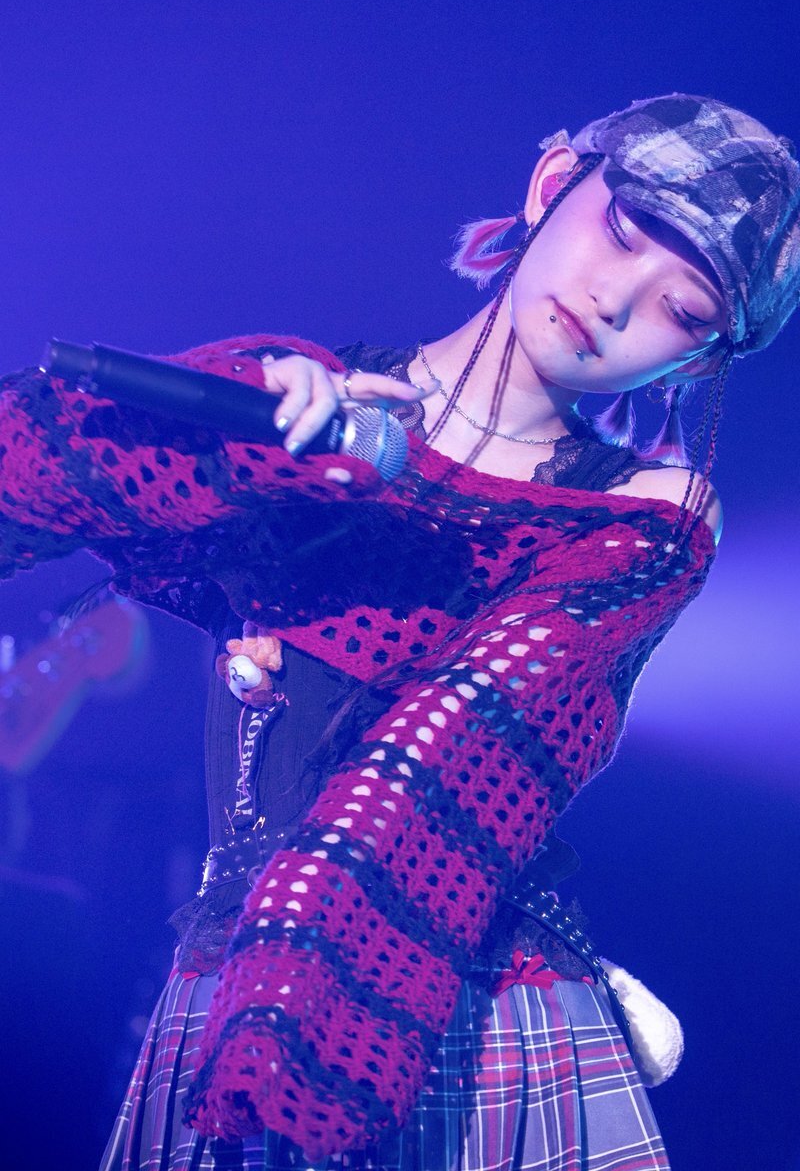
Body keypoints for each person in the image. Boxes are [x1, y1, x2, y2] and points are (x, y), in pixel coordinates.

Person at [1, 93, 798, 1171]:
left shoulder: (642, 518)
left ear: (697, 362)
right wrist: (246, 446)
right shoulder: (299, 401)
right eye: (622, 231)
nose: (614, 300)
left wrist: (378, 478)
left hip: (456, 1008)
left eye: (683, 309)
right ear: (551, 183)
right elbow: (26, 474)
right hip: (235, 970)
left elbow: (441, 757)